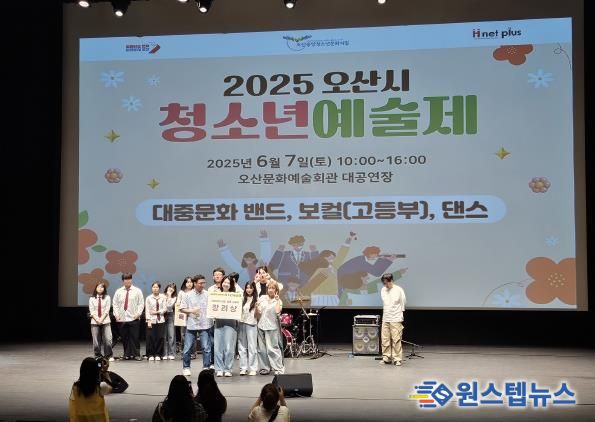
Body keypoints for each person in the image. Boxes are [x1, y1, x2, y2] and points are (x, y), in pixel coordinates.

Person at [181, 275, 212, 376]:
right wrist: (192, 311)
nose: (203, 285)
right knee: (187, 348)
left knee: (206, 348)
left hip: (204, 324)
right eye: (200, 283)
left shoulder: (208, 294)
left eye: (204, 283)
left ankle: (206, 367)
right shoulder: (187, 295)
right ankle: (186, 367)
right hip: (192, 324)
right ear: (195, 283)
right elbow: (182, 308)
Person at [112, 273, 144, 360]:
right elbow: (115, 304)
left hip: (134, 317)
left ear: (131, 280)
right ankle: (127, 354)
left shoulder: (137, 291)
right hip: (122, 318)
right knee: (125, 337)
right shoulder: (118, 291)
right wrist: (116, 315)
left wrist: (138, 314)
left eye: (129, 279)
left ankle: (136, 354)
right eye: (126, 279)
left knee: (135, 337)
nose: (128, 281)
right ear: (123, 281)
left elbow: (141, 304)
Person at [69, 357, 111, 422]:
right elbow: (110, 387)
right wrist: (105, 371)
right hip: (98, 418)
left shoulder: (75, 387)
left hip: (81, 419)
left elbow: (83, 379)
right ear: (96, 371)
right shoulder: (101, 386)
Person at [214, 273, 240, 377]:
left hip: (231, 323)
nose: (225, 284)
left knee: (229, 348)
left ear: (231, 285)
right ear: (221, 283)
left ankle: (228, 368)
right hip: (219, 322)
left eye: (228, 283)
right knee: (218, 348)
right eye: (224, 282)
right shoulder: (216, 294)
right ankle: (219, 368)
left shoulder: (235, 295)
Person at [256, 280, 284, 375]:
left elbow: (277, 312)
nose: (270, 290)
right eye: (269, 288)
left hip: (272, 327)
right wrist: (256, 307)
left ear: (276, 290)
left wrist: (277, 300)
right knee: (262, 350)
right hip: (261, 325)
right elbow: (259, 312)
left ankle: (278, 368)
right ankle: (265, 368)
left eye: (273, 288)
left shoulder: (278, 301)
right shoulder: (262, 298)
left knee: (273, 349)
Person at [380, 272, 406, 366]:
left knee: (396, 339)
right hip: (386, 318)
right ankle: (386, 357)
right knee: (385, 339)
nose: (385, 285)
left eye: (387, 282)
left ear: (391, 280)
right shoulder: (383, 290)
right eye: (384, 283)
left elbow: (403, 303)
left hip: (396, 318)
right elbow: (385, 303)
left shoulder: (398, 290)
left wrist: (400, 316)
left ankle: (397, 359)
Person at [89, 281, 113, 361]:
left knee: (108, 339)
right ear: (96, 288)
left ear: (104, 289)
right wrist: (97, 320)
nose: (100, 288)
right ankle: (97, 355)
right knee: (96, 341)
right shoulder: (92, 298)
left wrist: (101, 319)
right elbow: (92, 311)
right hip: (94, 321)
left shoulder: (107, 297)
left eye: (102, 287)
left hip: (105, 321)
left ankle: (108, 355)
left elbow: (107, 310)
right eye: (98, 286)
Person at [239, 281, 259, 376]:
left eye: (250, 288)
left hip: (252, 324)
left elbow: (257, 315)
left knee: (252, 347)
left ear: (254, 289)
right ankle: (243, 368)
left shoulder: (257, 300)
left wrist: (257, 308)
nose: (248, 289)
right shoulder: (242, 298)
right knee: (242, 347)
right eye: (247, 288)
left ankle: (253, 368)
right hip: (241, 323)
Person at [145, 282, 166, 361]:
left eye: (157, 287)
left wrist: (157, 312)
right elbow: (147, 310)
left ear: (159, 288)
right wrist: (148, 320)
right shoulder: (148, 298)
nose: (155, 289)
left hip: (160, 320)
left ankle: (158, 354)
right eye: (153, 287)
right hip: (151, 320)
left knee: (160, 337)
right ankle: (150, 354)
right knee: (151, 337)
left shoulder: (163, 297)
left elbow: (164, 309)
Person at [177, 277, 194, 352]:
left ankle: (192, 352)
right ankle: (184, 351)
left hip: (192, 316)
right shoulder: (181, 292)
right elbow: (178, 303)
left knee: (192, 334)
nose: (189, 284)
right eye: (187, 282)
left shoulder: (194, 292)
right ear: (185, 283)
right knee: (183, 334)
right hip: (183, 316)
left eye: (191, 282)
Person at [164, 282, 177, 360]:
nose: (171, 289)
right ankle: (164, 353)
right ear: (167, 287)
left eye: (173, 288)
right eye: (170, 287)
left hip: (170, 315)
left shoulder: (174, 298)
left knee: (171, 335)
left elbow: (169, 306)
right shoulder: (162, 296)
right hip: (162, 315)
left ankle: (171, 353)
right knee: (163, 336)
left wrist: (169, 296)